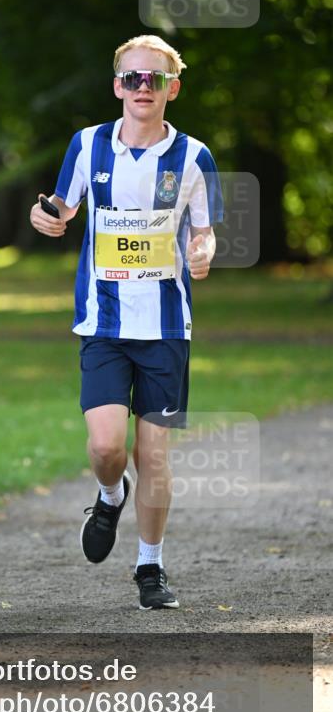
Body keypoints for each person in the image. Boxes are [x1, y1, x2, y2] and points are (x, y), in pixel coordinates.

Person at [29, 34, 224, 610]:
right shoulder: (88, 145)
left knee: (154, 455)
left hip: (166, 327)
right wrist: (47, 219)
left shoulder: (194, 157)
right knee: (107, 447)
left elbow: (204, 230)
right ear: (118, 86)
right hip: (104, 323)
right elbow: (61, 208)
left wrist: (203, 251)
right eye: (133, 78)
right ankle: (110, 495)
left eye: (154, 79)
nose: (143, 87)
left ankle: (150, 567)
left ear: (172, 89)